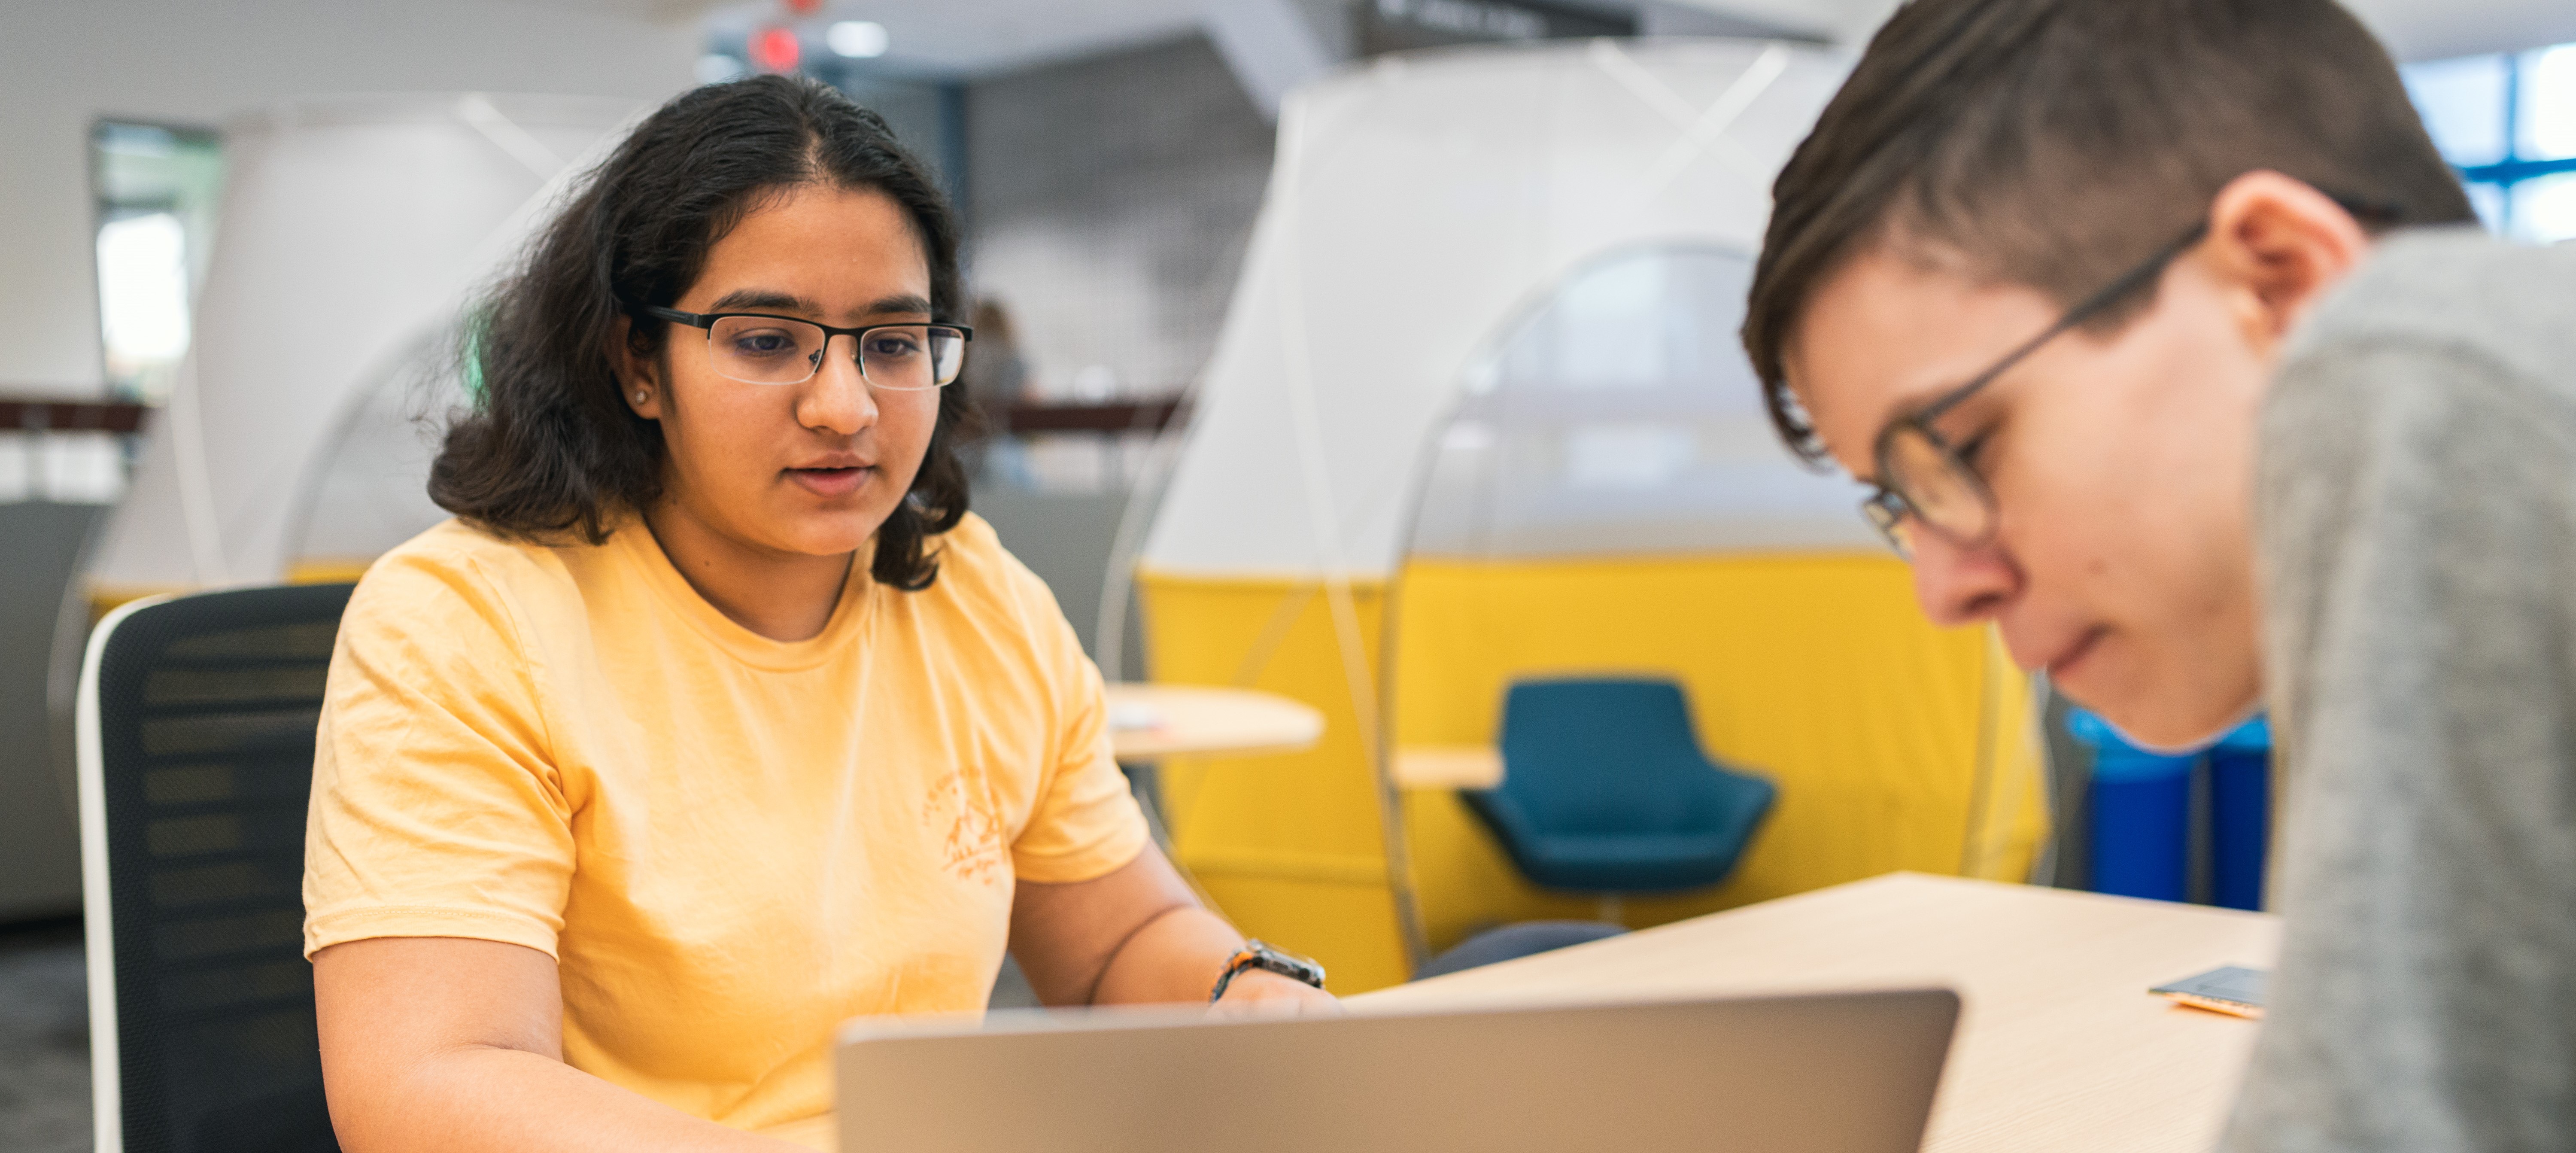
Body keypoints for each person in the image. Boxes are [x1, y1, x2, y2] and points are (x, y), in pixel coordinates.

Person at [302, 75, 1332, 1153]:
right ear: (636, 361)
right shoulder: (465, 623)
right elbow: (431, 1083)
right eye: (764, 339)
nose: (845, 406)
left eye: (892, 344)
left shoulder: (976, 595)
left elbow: (1124, 938)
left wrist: (1244, 988)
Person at [1738, 1, 2574, 1149]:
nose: (1943, 589)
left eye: (1961, 447)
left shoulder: (2421, 361)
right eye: (1903, 504)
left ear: (2281, 282)